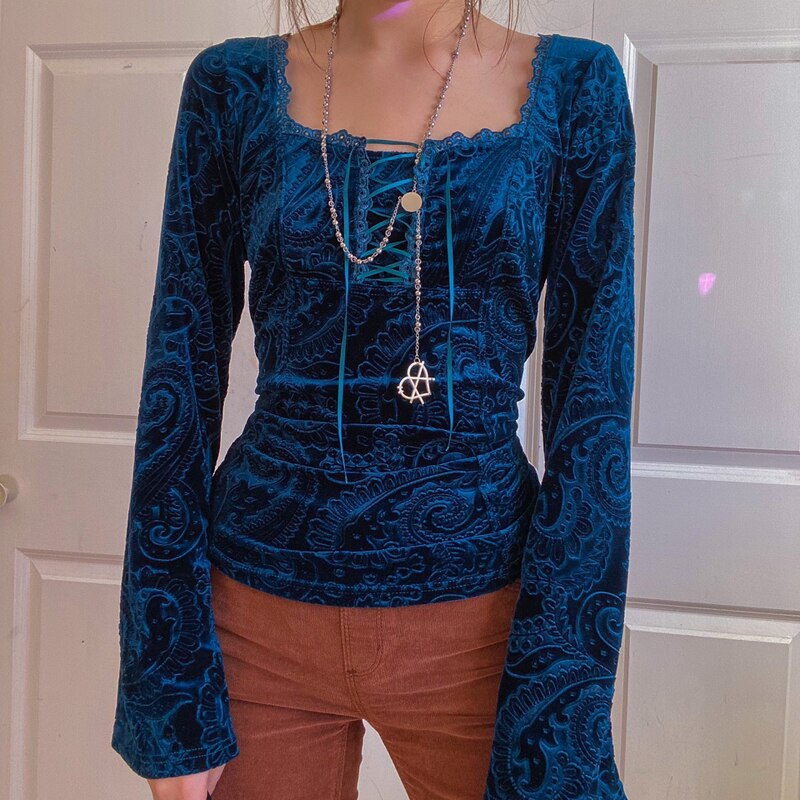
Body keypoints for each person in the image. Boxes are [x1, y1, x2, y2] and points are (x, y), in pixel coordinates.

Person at [110, 0, 637, 797]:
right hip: (255, 622)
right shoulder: (229, 86)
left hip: (482, 629)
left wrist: (563, 688)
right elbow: (177, 376)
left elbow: (593, 405)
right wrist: (168, 687)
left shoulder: (575, 88)